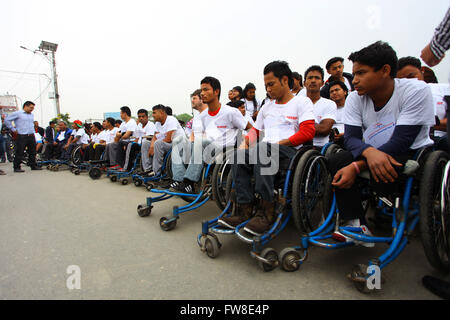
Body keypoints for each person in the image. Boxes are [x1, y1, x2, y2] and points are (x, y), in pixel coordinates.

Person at [329, 41, 435, 246]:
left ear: (385, 70)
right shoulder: (355, 98)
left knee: (383, 168)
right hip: (370, 149)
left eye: (361, 73)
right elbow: (350, 138)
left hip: (410, 150)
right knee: (336, 159)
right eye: (355, 74)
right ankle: (356, 221)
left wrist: (357, 165)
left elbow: (403, 140)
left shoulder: (415, 90)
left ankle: (388, 208)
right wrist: (368, 153)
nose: (355, 80)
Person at [218, 61, 316, 235]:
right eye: (266, 86)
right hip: (266, 150)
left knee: (263, 150)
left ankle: (266, 212)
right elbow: (255, 131)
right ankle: (244, 209)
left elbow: (308, 132)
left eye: (271, 84)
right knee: (238, 156)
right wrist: (245, 142)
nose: (268, 89)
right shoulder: (267, 107)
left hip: (292, 152)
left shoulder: (302, 102)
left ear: (285, 80)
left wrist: (280, 144)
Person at [169, 76, 252, 194]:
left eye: (206, 90)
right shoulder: (202, 116)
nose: (202, 93)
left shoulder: (230, 112)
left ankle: (189, 182)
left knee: (201, 143)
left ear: (216, 92)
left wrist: (245, 143)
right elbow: (196, 136)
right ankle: (178, 179)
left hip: (224, 150)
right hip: (204, 148)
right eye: (201, 90)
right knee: (178, 140)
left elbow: (250, 128)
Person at [396, 56, 450, 152]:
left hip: (441, 139)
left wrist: (429, 123)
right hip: (412, 142)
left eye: (411, 76)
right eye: (402, 80)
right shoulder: (397, 99)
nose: (409, 82)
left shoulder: (443, 90)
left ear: (422, 71)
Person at [143, 104, 185, 176]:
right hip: (166, 144)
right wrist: (152, 146)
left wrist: (155, 145)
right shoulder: (157, 123)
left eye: (154, 113)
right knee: (145, 143)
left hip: (177, 144)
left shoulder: (171, 119)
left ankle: (156, 172)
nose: (153, 115)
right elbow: (155, 136)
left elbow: (169, 139)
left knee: (158, 143)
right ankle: (147, 169)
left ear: (162, 113)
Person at [304, 65, 337, 148]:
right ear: (304, 83)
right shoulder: (296, 102)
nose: (313, 81)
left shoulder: (329, 104)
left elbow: (324, 129)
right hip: (296, 145)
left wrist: (299, 125)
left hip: (320, 147)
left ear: (322, 83)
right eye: (310, 78)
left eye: (317, 78)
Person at [4, 101, 42, 172]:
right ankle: (17, 167)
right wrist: (13, 129)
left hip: (31, 135)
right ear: (25, 106)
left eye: (33, 108)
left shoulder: (31, 115)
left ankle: (33, 165)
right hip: (22, 136)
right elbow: (7, 120)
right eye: (31, 107)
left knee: (33, 151)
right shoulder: (18, 114)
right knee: (20, 152)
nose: (32, 109)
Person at [328, 81, 349, 146]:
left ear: (345, 92)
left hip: (349, 138)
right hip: (331, 142)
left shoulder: (353, 108)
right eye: (331, 92)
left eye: (337, 90)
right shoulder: (328, 110)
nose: (334, 93)